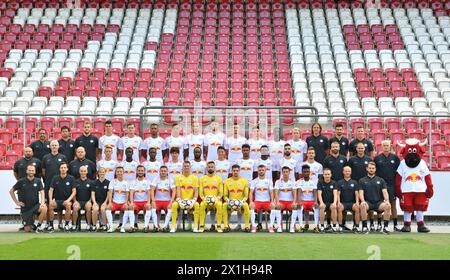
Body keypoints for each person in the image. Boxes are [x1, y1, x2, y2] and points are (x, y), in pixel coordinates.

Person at [9, 164, 47, 232]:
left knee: (44, 208)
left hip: (35, 205)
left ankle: (39, 226)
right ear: (26, 171)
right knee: (27, 230)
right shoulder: (21, 181)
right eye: (29, 170)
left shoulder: (38, 181)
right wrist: (16, 202)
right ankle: (31, 225)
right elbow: (11, 191)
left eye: (32, 170)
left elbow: (42, 192)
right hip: (25, 208)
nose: (31, 172)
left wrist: (42, 203)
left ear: (35, 172)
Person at [374, 140, 401, 231]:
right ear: (381, 146)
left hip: (391, 185)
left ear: (390, 146)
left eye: (387, 145)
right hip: (380, 185)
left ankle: (395, 224)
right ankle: (379, 224)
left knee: (393, 204)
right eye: (384, 145)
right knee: (380, 204)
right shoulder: (377, 158)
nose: (386, 147)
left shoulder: (395, 158)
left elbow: (399, 172)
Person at [359, 162, 391, 234]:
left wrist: (387, 201)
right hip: (368, 203)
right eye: (370, 168)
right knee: (362, 205)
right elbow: (361, 193)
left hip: (378, 203)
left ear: (375, 169)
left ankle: (385, 227)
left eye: (373, 168)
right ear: (367, 169)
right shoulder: (362, 180)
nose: (371, 170)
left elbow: (385, 192)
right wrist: (363, 201)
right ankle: (364, 227)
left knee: (388, 206)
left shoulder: (381, 180)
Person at [170, 161, 200, 233]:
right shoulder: (178, 177)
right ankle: (173, 226)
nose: (186, 167)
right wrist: (179, 200)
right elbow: (178, 189)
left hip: (191, 200)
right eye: (185, 166)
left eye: (188, 166)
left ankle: (195, 226)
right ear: (182, 167)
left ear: (190, 168)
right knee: (174, 205)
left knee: (197, 205)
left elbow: (196, 191)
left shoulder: (194, 178)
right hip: (181, 200)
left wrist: (193, 200)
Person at [48, 162, 76, 232]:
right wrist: (51, 200)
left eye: (64, 168)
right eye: (61, 168)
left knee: (68, 205)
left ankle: (66, 225)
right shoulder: (55, 178)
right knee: (51, 205)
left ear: (67, 169)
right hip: (57, 200)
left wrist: (68, 200)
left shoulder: (71, 178)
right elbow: (51, 190)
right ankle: (51, 226)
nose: (63, 169)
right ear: (59, 169)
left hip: (67, 200)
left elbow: (74, 191)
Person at [222, 165, 251, 232]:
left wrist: (241, 202)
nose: (235, 172)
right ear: (232, 171)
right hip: (230, 202)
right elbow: (225, 195)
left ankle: (246, 226)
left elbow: (246, 196)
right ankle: (226, 226)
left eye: (237, 171)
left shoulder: (244, 181)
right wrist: (229, 201)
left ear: (239, 171)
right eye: (234, 171)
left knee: (246, 205)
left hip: (241, 202)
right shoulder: (227, 181)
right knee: (224, 205)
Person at [199, 161, 223, 233]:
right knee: (202, 205)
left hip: (215, 200)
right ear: (206, 168)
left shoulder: (219, 179)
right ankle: (202, 226)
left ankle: (218, 226)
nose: (210, 168)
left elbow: (221, 192)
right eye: (209, 167)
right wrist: (204, 198)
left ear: (215, 168)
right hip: (205, 200)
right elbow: (201, 192)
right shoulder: (202, 178)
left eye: (212, 167)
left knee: (219, 205)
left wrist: (216, 199)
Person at [249, 165, 275, 233]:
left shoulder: (269, 181)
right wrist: (251, 201)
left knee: (273, 206)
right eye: (260, 170)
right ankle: (254, 226)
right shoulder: (254, 181)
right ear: (258, 171)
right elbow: (251, 192)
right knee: (251, 206)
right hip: (257, 202)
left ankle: (271, 226)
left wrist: (272, 201)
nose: (261, 171)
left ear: (265, 171)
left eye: (262, 170)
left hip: (266, 202)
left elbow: (271, 192)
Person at [106, 167, 131, 233]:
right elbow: (110, 192)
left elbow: (127, 193)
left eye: (120, 171)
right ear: (116, 173)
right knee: (108, 207)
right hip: (115, 202)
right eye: (118, 172)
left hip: (123, 203)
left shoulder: (126, 182)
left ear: (123, 172)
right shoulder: (112, 181)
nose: (119, 173)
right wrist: (110, 202)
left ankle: (122, 227)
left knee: (127, 207)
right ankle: (111, 227)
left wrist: (126, 203)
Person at [151, 166, 176, 232]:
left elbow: (174, 190)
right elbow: (152, 189)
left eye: (165, 171)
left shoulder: (170, 179)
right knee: (153, 210)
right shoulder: (156, 179)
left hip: (167, 201)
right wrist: (153, 201)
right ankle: (156, 226)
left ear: (167, 172)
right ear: (159, 171)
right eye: (162, 171)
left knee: (170, 210)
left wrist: (171, 202)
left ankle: (165, 226)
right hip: (157, 201)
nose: (163, 172)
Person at [296, 164, 320, 233]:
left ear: (309, 172)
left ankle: (316, 227)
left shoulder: (313, 182)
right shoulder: (300, 182)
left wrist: (315, 202)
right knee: (299, 207)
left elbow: (315, 192)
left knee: (316, 207)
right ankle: (301, 226)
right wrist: (299, 202)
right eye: (304, 172)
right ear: (302, 172)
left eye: (307, 172)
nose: (306, 173)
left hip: (311, 202)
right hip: (303, 202)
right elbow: (299, 192)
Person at [336, 166, 360, 233]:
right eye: (346, 171)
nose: (347, 172)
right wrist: (339, 202)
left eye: (349, 171)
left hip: (352, 203)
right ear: (343, 172)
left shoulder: (355, 182)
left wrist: (357, 202)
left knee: (357, 208)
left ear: (351, 172)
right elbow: (338, 194)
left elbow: (356, 194)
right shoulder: (339, 182)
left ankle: (356, 226)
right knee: (339, 208)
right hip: (343, 203)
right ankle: (341, 226)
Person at [274, 166, 297, 233]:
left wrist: (294, 202)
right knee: (277, 206)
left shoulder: (292, 182)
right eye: (284, 172)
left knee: (296, 206)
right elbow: (276, 193)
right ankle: (279, 226)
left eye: (287, 172)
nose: (285, 173)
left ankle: (292, 227)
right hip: (281, 202)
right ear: (282, 173)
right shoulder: (278, 182)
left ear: (289, 172)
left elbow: (295, 193)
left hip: (290, 202)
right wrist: (277, 202)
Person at [129, 165, 152, 232]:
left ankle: (145, 226)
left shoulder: (147, 181)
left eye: (142, 171)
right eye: (139, 170)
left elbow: (148, 193)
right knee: (131, 207)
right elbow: (131, 193)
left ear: (144, 171)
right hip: (136, 202)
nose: (140, 172)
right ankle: (132, 226)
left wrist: (148, 202)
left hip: (144, 202)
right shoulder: (133, 182)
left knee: (148, 207)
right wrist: (131, 203)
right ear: (136, 171)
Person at [72, 166, 93, 231]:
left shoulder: (91, 182)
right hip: (78, 201)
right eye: (81, 171)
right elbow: (73, 193)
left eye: (84, 171)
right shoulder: (75, 181)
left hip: (87, 201)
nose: (83, 172)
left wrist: (89, 201)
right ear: (79, 172)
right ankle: (74, 225)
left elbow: (92, 194)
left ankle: (89, 225)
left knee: (89, 207)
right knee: (75, 207)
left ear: (87, 172)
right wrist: (75, 201)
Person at [91, 167, 110, 231]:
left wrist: (105, 203)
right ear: (98, 173)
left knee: (102, 209)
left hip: (105, 201)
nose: (102, 173)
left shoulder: (108, 182)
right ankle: (94, 225)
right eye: (100, 172)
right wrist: (94, 203)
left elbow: (108, 194)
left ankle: (104, 225)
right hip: (97, 201)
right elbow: (92, 194)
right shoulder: (94, 183)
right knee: (95, 209)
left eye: (103, 172)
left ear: (105, 173)